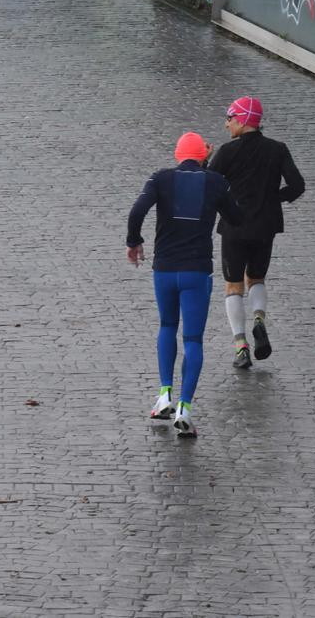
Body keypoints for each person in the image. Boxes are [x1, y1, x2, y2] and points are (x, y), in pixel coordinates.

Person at [127, 132, 243, 437]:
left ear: (178, 155)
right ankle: (185, 408)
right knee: (193, 339)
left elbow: (137, 210)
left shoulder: (161, 179)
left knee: (167, 326)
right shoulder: (215, 181)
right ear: (203, 156)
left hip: (164, 269)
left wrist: (134, 241)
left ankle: (164, 393)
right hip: (196, 271)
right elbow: (235, 217)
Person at [207, 96, 305, 368]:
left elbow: (210, 185)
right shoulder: (278, 149)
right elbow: (297, 185)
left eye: (230, 119)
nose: (227, 124)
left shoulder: (227, 152)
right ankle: (259, 319)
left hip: (234, 227)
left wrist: (204, 163)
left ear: (241, 120)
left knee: (233, 285)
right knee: (257, 278)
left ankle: (241, 346)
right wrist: (275, 198)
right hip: (266, 226)